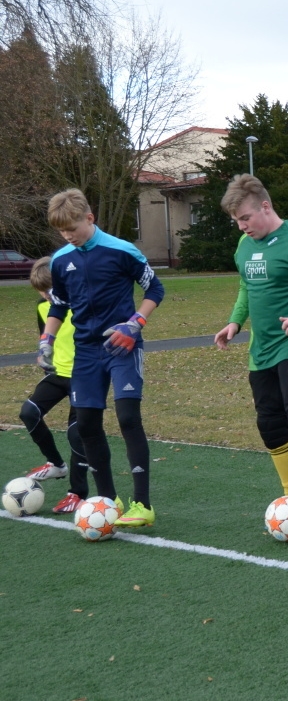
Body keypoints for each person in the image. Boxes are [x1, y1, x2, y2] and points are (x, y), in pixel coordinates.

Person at [213, 174, 288, 532]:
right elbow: (245, 286)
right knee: (269, 422)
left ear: (265, 207)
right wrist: (235, 322)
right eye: (237, 220)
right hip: (261, 349)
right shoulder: (243, 245)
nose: (241, 226)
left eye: (246, 218)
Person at [43, 188, 165, 527]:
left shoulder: (122, 251)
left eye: (73, 229)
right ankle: (108, 501)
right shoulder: (60, 260)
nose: (68, 236)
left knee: (127, 417)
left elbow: (155, 289)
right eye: (62, 232)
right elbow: (58, 305)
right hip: (86, 353)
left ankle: (142, 504)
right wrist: (46, 340)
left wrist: (134, 324)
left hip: (122, 346)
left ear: (89, 218)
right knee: (86, 425)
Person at [22, 256, 91, 513]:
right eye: (41, 290)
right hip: (58, 374)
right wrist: (43, 355)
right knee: (29, 412)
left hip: (85, 376)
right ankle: (55, 464)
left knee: (76, 432)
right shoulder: (43, 306)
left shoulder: (84, 304)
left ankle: (77, 493)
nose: (46, 295)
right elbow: (47, 335)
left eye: (49, 289)